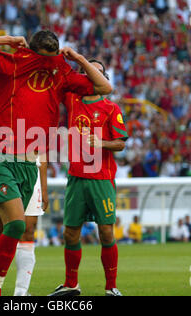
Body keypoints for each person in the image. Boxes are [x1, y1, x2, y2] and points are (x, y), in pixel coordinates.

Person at [0, 31, 111, 296]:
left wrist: (78, 58)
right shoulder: (12, 65)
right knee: (18, 225)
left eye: (50, 60)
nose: (45, 66)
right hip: (1, 158)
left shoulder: (62, 75)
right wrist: (6, 39)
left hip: (29, 163)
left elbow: (104, 88)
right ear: (31, 52)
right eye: (41, 59)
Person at [49, 60, 127, 296]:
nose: (92, 75)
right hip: (76, 177)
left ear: (105, 79)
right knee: (70, 232)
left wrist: (101, 142)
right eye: (87, 71)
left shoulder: (111, 108)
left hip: (101, 178)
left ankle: (111, 287)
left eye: (98, 72)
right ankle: (71, 284)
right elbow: (57, 78)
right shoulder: (72, 99)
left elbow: (121, 143)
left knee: (106, 232)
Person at [0, 98, 47, 296]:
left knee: (28, 231)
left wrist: (44, 186)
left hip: (30, 173)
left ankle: (21, 293)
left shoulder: (37, 103)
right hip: (3, 173)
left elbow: (40, 151)